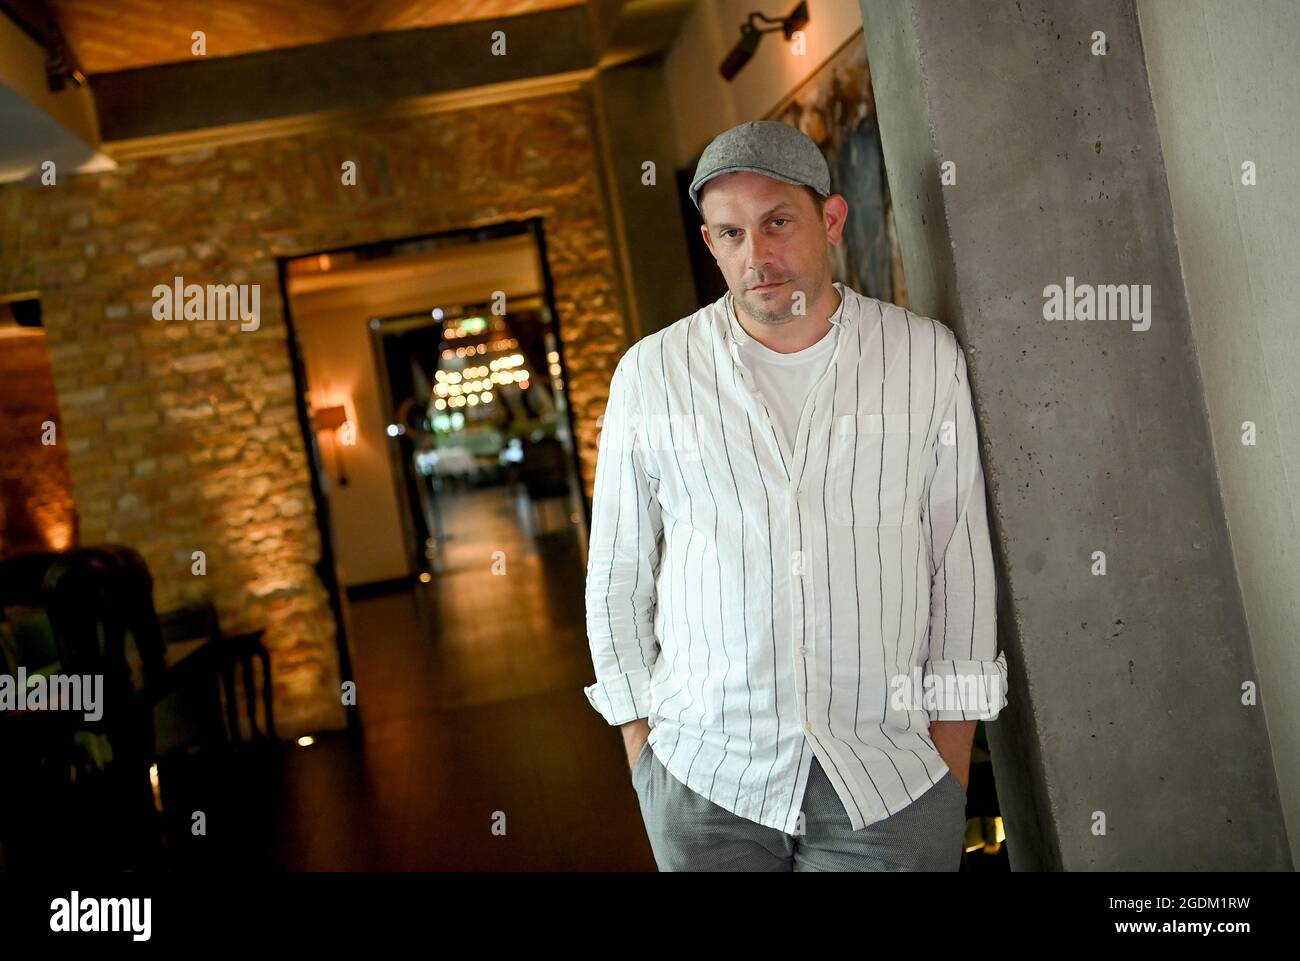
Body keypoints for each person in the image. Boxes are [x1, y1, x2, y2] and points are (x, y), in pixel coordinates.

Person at [583, 120, 1009, 871]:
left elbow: (960, 562)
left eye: (777, 222)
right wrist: (643, 752)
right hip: (706, 779)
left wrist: (951, 762)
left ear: (832, 220)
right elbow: (617, 573)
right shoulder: (651, 375)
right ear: (710, 243)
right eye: (731, 233)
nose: (757, 255)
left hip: (890, 779)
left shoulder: (921, 357)